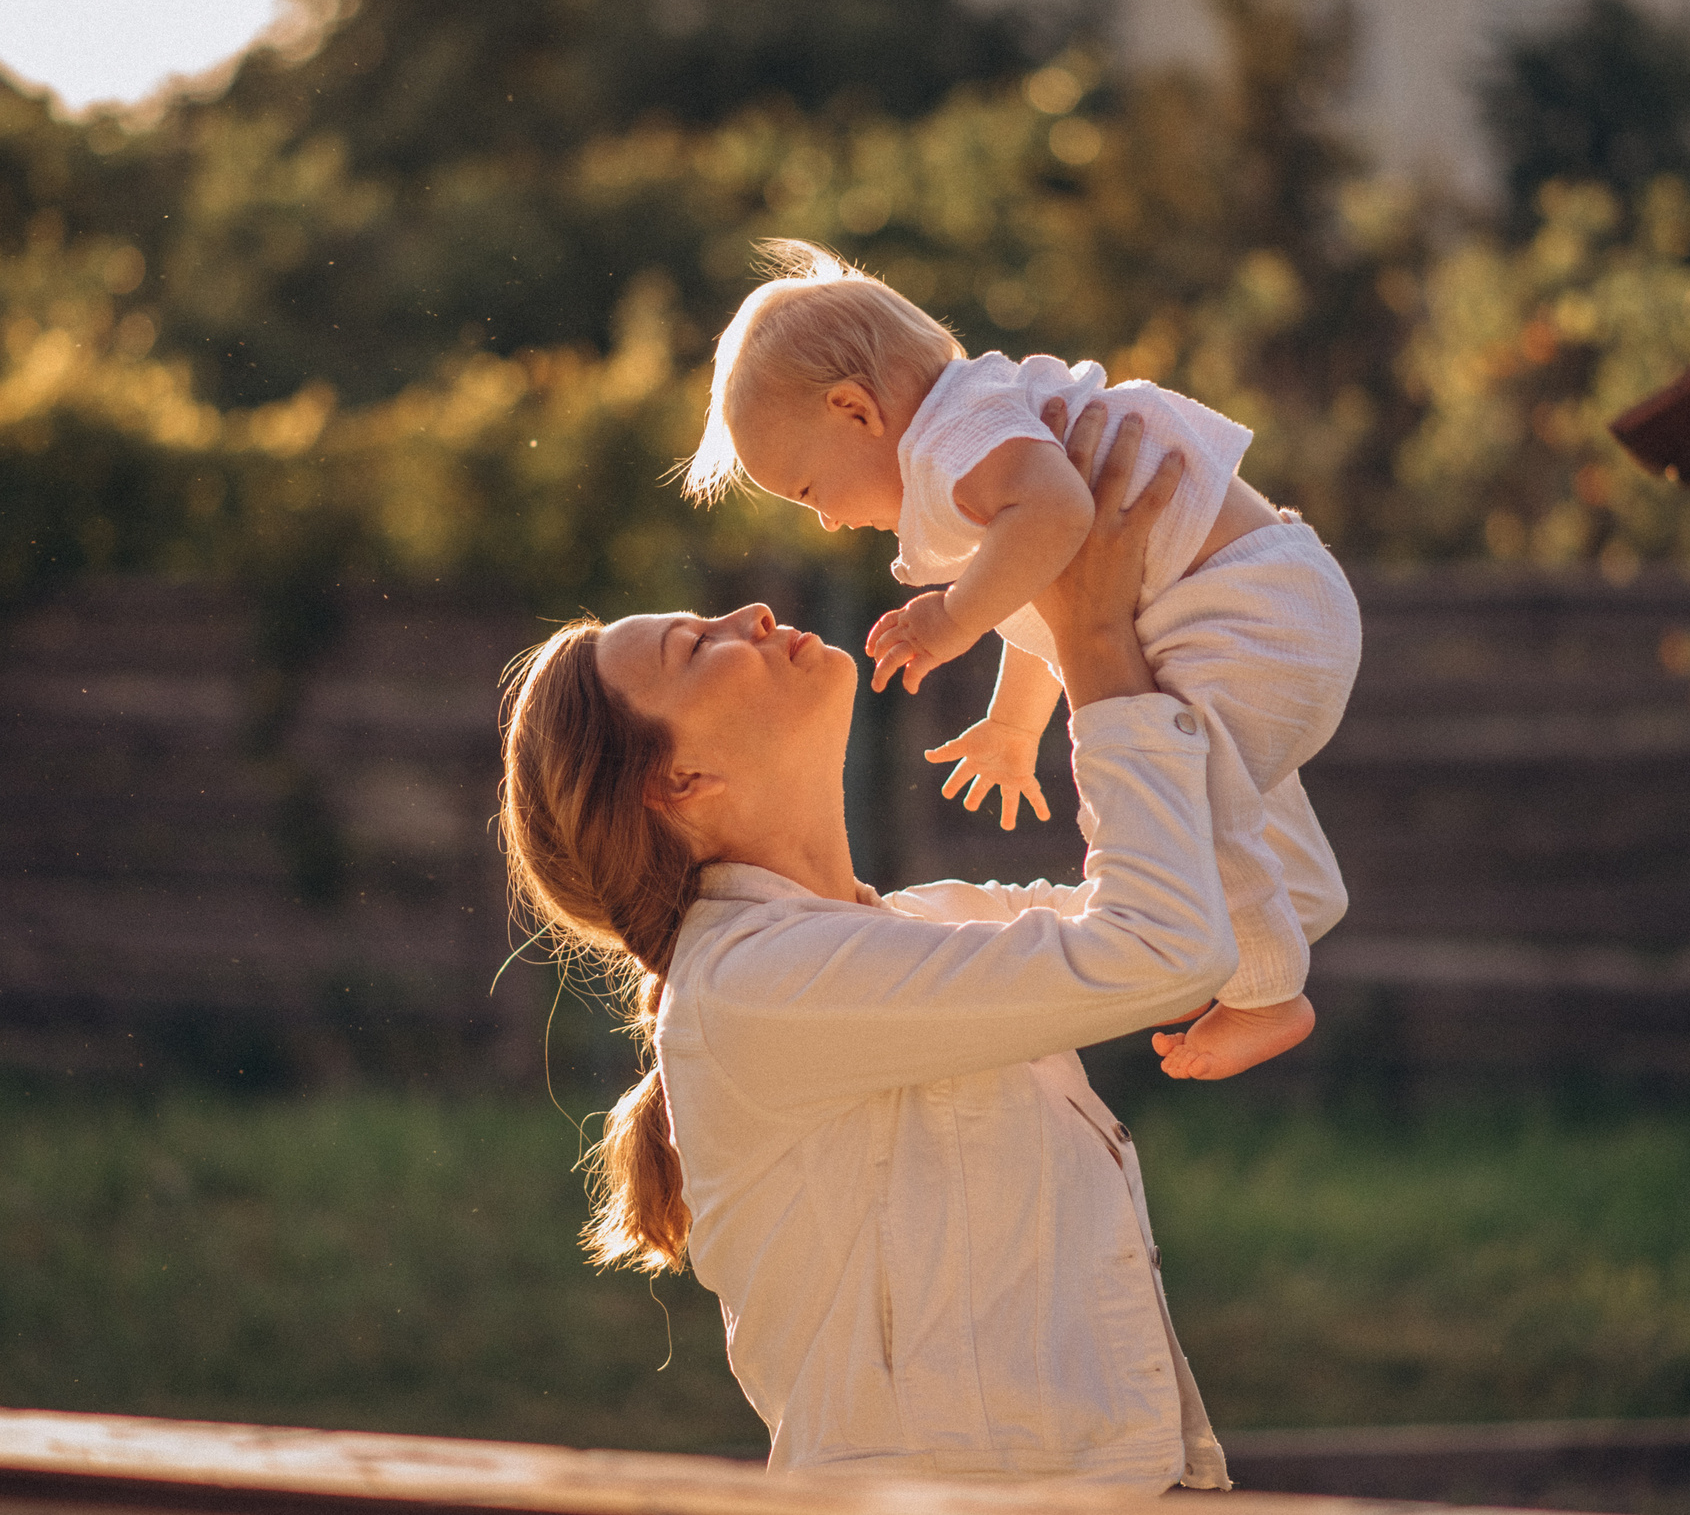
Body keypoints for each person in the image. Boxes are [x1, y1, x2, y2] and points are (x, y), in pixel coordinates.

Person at [498, 410, 1267, 1489]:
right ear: (676, 785)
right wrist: (1089, 636)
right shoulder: (751, 987)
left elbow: (1209, 913)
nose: (749, 612)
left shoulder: (921, 926)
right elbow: (1163, 945)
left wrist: (1204, 609)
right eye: (694, 645)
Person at [678, 241, 1360, 1079]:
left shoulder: (954, 440)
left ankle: (1267, 990)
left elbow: (1060, 514)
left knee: (1182, 786)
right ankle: (1295, 902)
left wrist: (951, 619)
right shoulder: (979, 424)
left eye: (810, 491)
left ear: (856, 410)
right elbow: (1046, 586)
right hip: (1266, 601)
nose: (823, 522)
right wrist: (1011, 724)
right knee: (1209, 763)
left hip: (1242, 609)